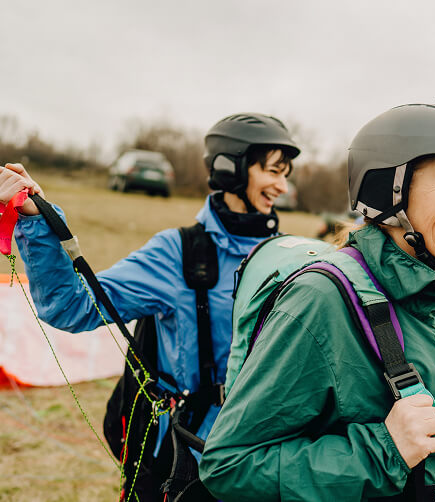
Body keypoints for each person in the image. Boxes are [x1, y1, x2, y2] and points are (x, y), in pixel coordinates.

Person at [199, 100, 435, 501]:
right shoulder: (319, 302)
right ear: (390, 192)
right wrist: (385, 449)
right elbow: (230, 464)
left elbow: (426, 427)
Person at [0, 112, 300, 500]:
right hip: (191, 459)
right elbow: (71, 306)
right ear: (231, 170)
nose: (282, 185)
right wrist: (38, 222)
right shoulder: (178, 254)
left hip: (264, 454)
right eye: (273, 171)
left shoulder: (290, 255)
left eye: (285, 173)